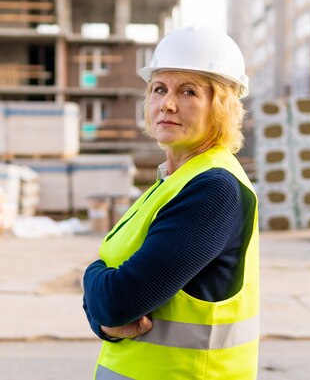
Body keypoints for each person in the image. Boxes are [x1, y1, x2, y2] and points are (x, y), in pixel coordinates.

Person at [82, 25, 260, 379]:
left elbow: (117, 301)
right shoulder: (173, 182)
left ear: (220, 107)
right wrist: (103, 316)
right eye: (159, 88)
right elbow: (111, 307)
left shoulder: (213, 190)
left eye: (188, 91)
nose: (167, 103)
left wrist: (91, 275)